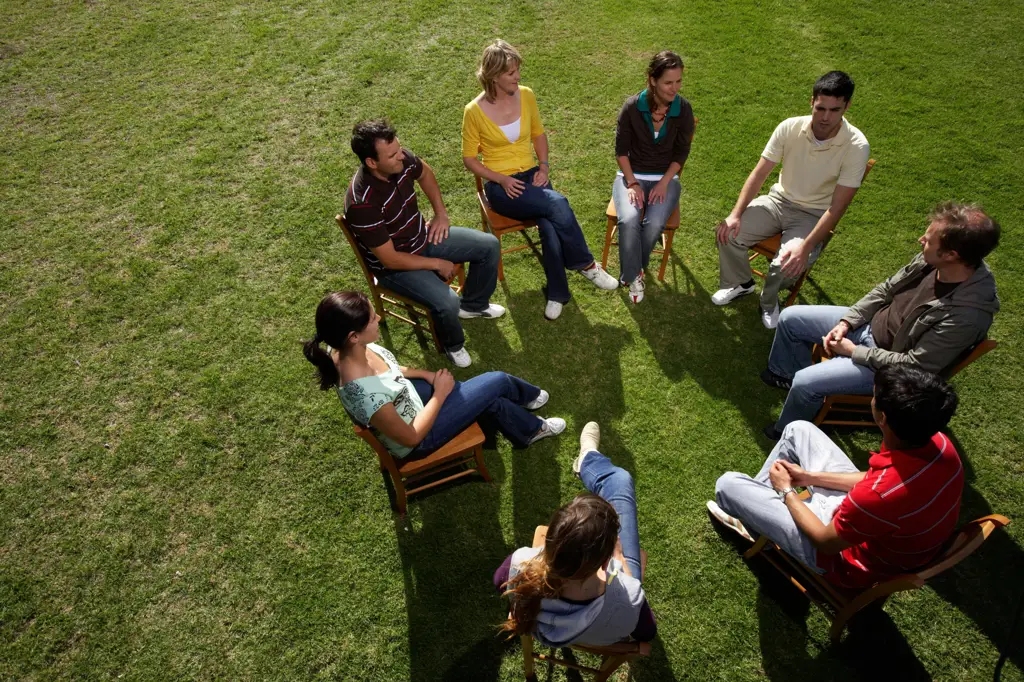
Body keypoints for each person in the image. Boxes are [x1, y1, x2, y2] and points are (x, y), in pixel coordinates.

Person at [760, 202, 1000, 439]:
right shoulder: (933, 261)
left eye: (928, 240)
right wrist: (847, 322)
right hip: (869, 327)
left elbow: (914, 365)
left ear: (951, 254)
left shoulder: (966, 316)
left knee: (806, 381)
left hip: (889, 368)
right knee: (791, 318)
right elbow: (886, 290)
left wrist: (853, 351)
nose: (920, 240)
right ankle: (783, 374)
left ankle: (789, 432)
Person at [709, 365, 962, 589]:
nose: (871, 399)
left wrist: (786, 491)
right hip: (871, 525)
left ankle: (755, 521)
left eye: (874, 397)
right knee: (798, 429)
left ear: (882, 417)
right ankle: (758, 517)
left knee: (727, 485)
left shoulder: (877, 496)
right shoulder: (939, 445)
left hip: (843, 559)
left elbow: (825, 542)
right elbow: (873, 479)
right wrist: (809, 477)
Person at [462, 39, 618, 321]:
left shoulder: (527, 95)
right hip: (502, 187)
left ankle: (558, 293)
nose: (518, 77)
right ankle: (585, 264)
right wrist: (501, 180)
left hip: (532, 175)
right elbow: (469, 160)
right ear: (494, 76)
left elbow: (538, 134)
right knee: (558, 204)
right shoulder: (473, 111)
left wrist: (544, 167)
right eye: (511, 73)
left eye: (518, 70)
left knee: (549, 224)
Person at [303, 291, 565, 458]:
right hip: (419, 438)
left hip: (410, 401)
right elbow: (411, 437)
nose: (379, 319)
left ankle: (527, 430)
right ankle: (529, 399)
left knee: (487, 398)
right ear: (353, 336)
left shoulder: (342, 349)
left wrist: (425, 374)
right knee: (497, 381)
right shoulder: (368, 396)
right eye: (372, 318)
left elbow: (391, 371)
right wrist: (439, 394)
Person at [713, 71, 870, 329]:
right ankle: (742, 284)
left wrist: (806, 247)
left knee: (787, 264)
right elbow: (760, 173)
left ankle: (768, 301)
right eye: (820, 108)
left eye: (834, 110)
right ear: (812, 102)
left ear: (847, 107)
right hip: (777, 201)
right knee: (728, 234)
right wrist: (735, 214)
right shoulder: (789, 127)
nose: (825, 117)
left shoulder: (857, 146)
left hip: (814, 215)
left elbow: (837, 207)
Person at [344, 119, 504, 368]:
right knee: (447, 301)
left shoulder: (400, 160)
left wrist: (440, 213)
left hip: (422, 237)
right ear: (372, 163)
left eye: (399, 149)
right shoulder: (362, 204)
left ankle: (473, 305)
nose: (402, 156)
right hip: (395, 268)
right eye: (393, 155)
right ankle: (453, 345)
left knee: (489, 245)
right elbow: (390, 259)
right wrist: (437, 263)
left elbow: (425, 173)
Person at [493, 422, 656, 647]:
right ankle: (588, 459)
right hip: (603, 626)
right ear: (606, 561)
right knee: (621, 481)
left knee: (620, 482)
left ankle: (588, 458)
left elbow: (498, 581)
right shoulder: (628, 597)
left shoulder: (519, 564)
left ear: (550, 540)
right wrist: (622, 563)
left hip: (546, 627)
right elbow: (645, 634)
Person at [613, 50, 696, 304]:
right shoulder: (632, 107)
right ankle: (634, 273)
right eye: (668, 82)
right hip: (630, 175)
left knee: (653, 224)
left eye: (679, 81)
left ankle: (633, 269)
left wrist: (663, 182)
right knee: (628, 220)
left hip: (666, 178)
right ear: (652, 80)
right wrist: (633, 183)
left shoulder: (683, 110)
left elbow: (681, 152)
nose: (675, 88)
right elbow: (621, 152)